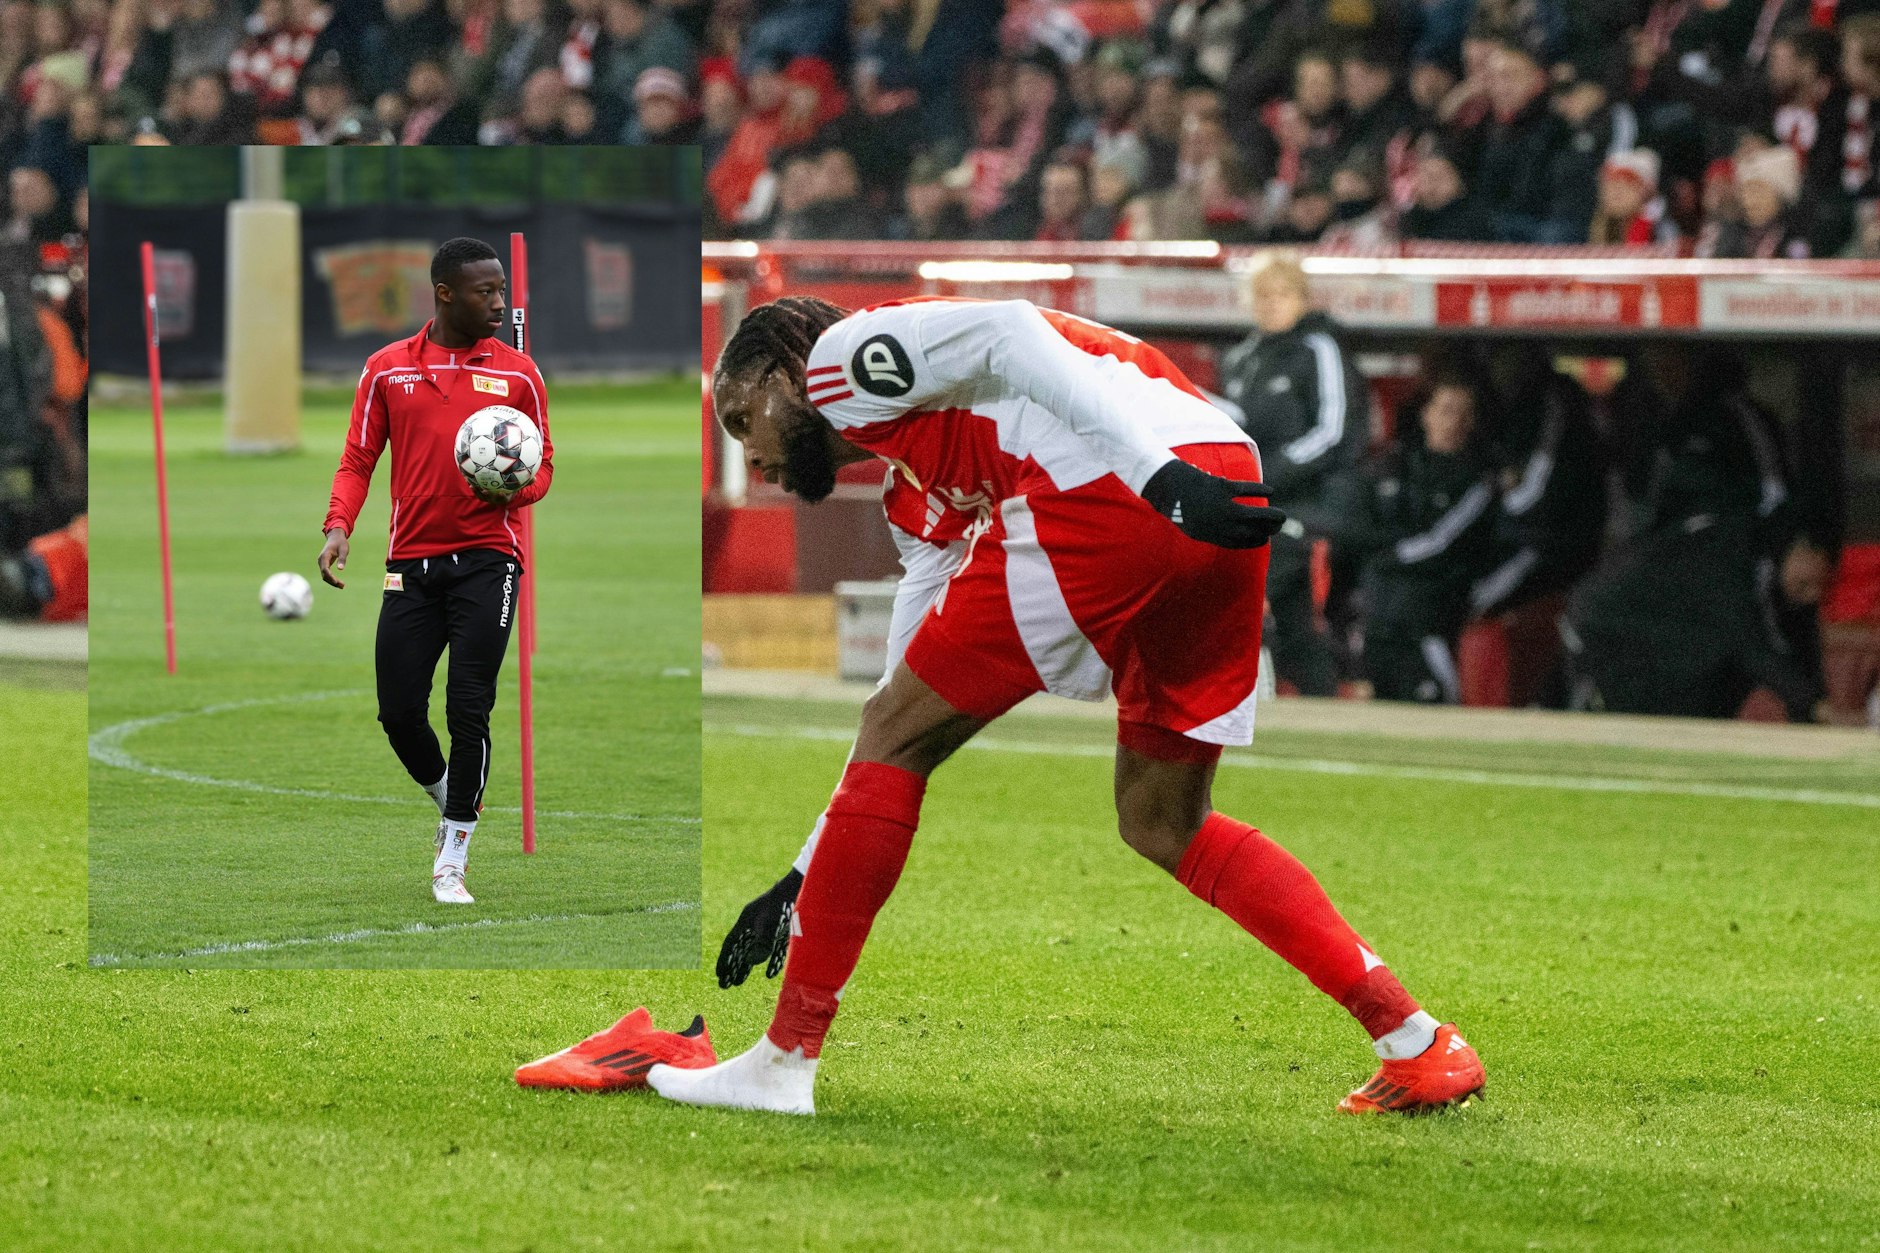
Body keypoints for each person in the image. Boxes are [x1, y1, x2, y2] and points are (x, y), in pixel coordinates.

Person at [543, 295, 1486, 1116]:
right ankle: (1415, 1042)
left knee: (910, 746)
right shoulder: (919, 492)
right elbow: (899, 705)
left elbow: (1008, 331)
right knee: (1163, 820)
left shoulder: (841, 360)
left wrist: (1154, 478)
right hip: (1219, 480)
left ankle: (783, 1062)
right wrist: (806, 868)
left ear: (790, 373)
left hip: (1138, 486)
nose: (752, 452)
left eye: (745, 414)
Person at [317, 238, 554, 905]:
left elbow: (545, 464)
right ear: (445, 294)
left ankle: (452, 855)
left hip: (490, 559)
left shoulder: (518, 375)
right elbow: (357, 459)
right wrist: (339, 526)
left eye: (503, 290)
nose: (500, 303)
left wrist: (513, 491)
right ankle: (454, 797)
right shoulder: (387, 370)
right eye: (486, 292)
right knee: (398, 711)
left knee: (468, 705)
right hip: (410, 564)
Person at [1215, 254, 1367, 697]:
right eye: (1262, 295)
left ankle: (1242, 693)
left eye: (1282, 294)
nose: (1271, 304)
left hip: (1316, 502)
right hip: (1263, 503)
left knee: (1249, 586)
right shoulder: (1242, 358)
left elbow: (1333, 432)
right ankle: (1316, 705)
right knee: (1295, 622)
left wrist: (1267, 475)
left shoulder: (1320, 349)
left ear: (1301, 299)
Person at [1350, 365, 1499, 704]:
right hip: (1379, 619)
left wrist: (1385, 553)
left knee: (1433, 711)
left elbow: (1441, 540)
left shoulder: (1477, 480)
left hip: (1429, 620)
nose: (1454, 422)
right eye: (1446, 410)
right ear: (1425, 415)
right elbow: (1357, 526)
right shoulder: (1396, 465)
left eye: (1464, 414)